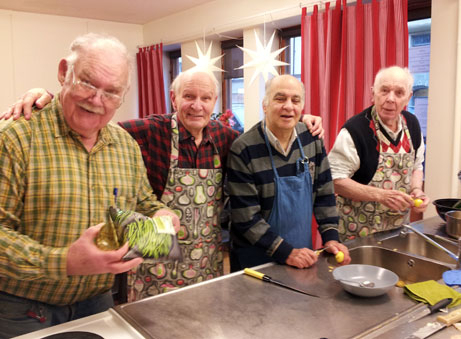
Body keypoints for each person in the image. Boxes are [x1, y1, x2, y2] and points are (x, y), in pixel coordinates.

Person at [2, 70, 325, 301]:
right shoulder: (147, 131)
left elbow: (268, 127)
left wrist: (299, 116)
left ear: (215, 101)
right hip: (154, 259)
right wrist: (46, 97)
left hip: (206, 258)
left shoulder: (227, 139)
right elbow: (93, 118)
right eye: (188, 96)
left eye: (205, 98)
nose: (197, 105)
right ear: (174, 98)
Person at [0, 33, 179, 338]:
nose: (97, 100)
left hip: (98, 302)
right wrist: (64, 261)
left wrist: (162, 216)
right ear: (63, 73)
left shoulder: (125, 145)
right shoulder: (15, 138)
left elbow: (144, 203)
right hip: (24, 309)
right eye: (87, 83)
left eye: (111, 92)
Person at [227, 74, 350, 271]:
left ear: (302, 107)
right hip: (255, 260)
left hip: (300, 255)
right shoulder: (244, 149)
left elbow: (324, 194)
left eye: (295, 100)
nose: (288, 106)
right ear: (265, 105)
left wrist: (331, 237)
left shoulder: (312, 140)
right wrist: (287, 252)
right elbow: (246, 217)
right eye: (280, 98)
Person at [328, 66, 429, 242]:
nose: (390, 99)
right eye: (384, 90)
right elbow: (335, 180)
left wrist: (416, 190)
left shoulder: (412, 125)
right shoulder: (355, 130)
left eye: (399, 93)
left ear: (408, 97)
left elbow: (416, 166)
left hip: (397, 232)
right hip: (357, 235)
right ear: (373, 93)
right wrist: (381, 196)